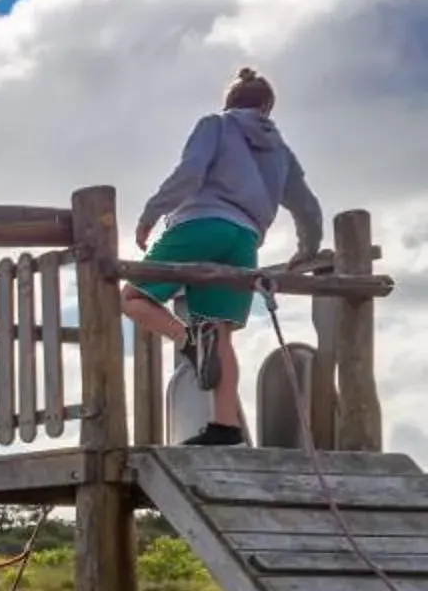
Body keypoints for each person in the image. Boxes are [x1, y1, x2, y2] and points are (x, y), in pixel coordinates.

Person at [125, 67, 324, 448]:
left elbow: (190, 173)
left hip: (200, 223)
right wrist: (307, 250)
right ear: (268, 106)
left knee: (133, 298)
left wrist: (150, 214)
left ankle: (186, 340)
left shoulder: (215, 125)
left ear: (229, 101)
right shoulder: (281, 152)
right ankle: (225, 426)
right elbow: (307, 207)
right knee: (221, 332)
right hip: (245, 238)